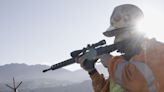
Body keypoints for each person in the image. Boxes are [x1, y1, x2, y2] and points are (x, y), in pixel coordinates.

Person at [76, 4, 164, 92]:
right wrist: (92, 72)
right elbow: (109, 89)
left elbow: (141, 80)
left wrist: (110, 62)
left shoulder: (157, 50)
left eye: (119, 34)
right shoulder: (122, 64)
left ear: (132, 31)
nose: (115, 40)